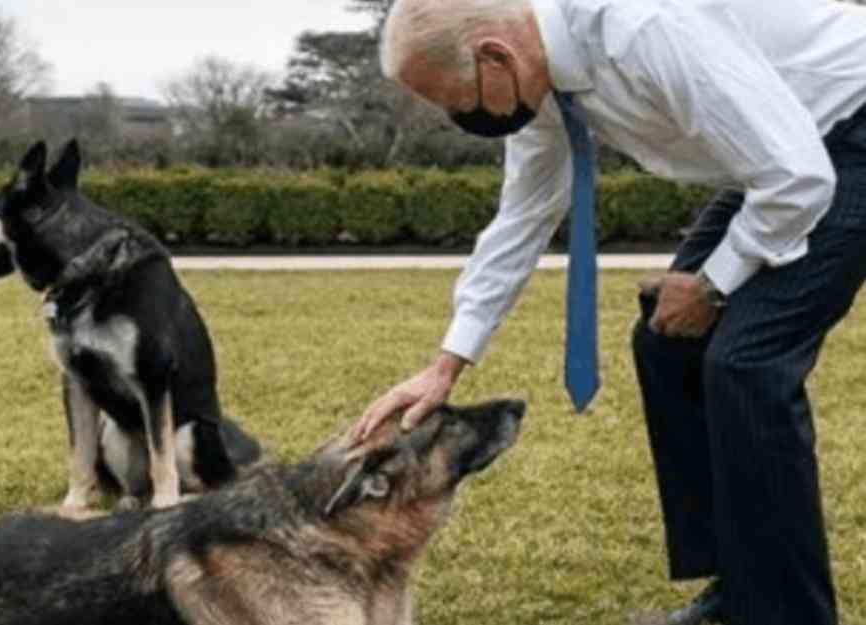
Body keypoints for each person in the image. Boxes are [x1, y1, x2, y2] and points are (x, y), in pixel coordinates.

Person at [349, 0, 866, 624]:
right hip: (785, 152)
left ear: (495, 56)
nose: (458, 117)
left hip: (845, 132)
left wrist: (711, 286)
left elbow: (800, 178)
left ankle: (788, 617)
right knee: (669, 344)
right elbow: (523, 218)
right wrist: (446, 366)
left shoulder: (643, 29)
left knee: (745, 363)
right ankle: (741, 593)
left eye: (455, 102)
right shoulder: (538, 81)